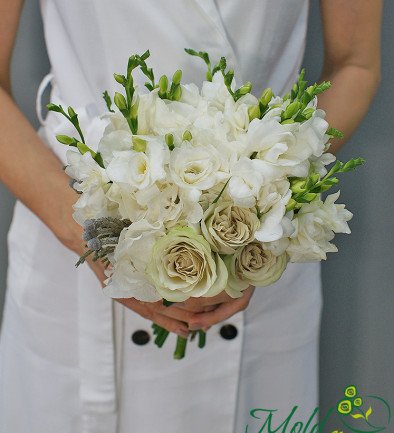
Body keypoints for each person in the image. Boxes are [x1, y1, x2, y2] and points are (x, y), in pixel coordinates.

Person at [0, 1, 382, 432]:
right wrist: (101, 241)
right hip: (69, 236)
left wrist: (270, 193)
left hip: (265, 254)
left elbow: (355, 64)